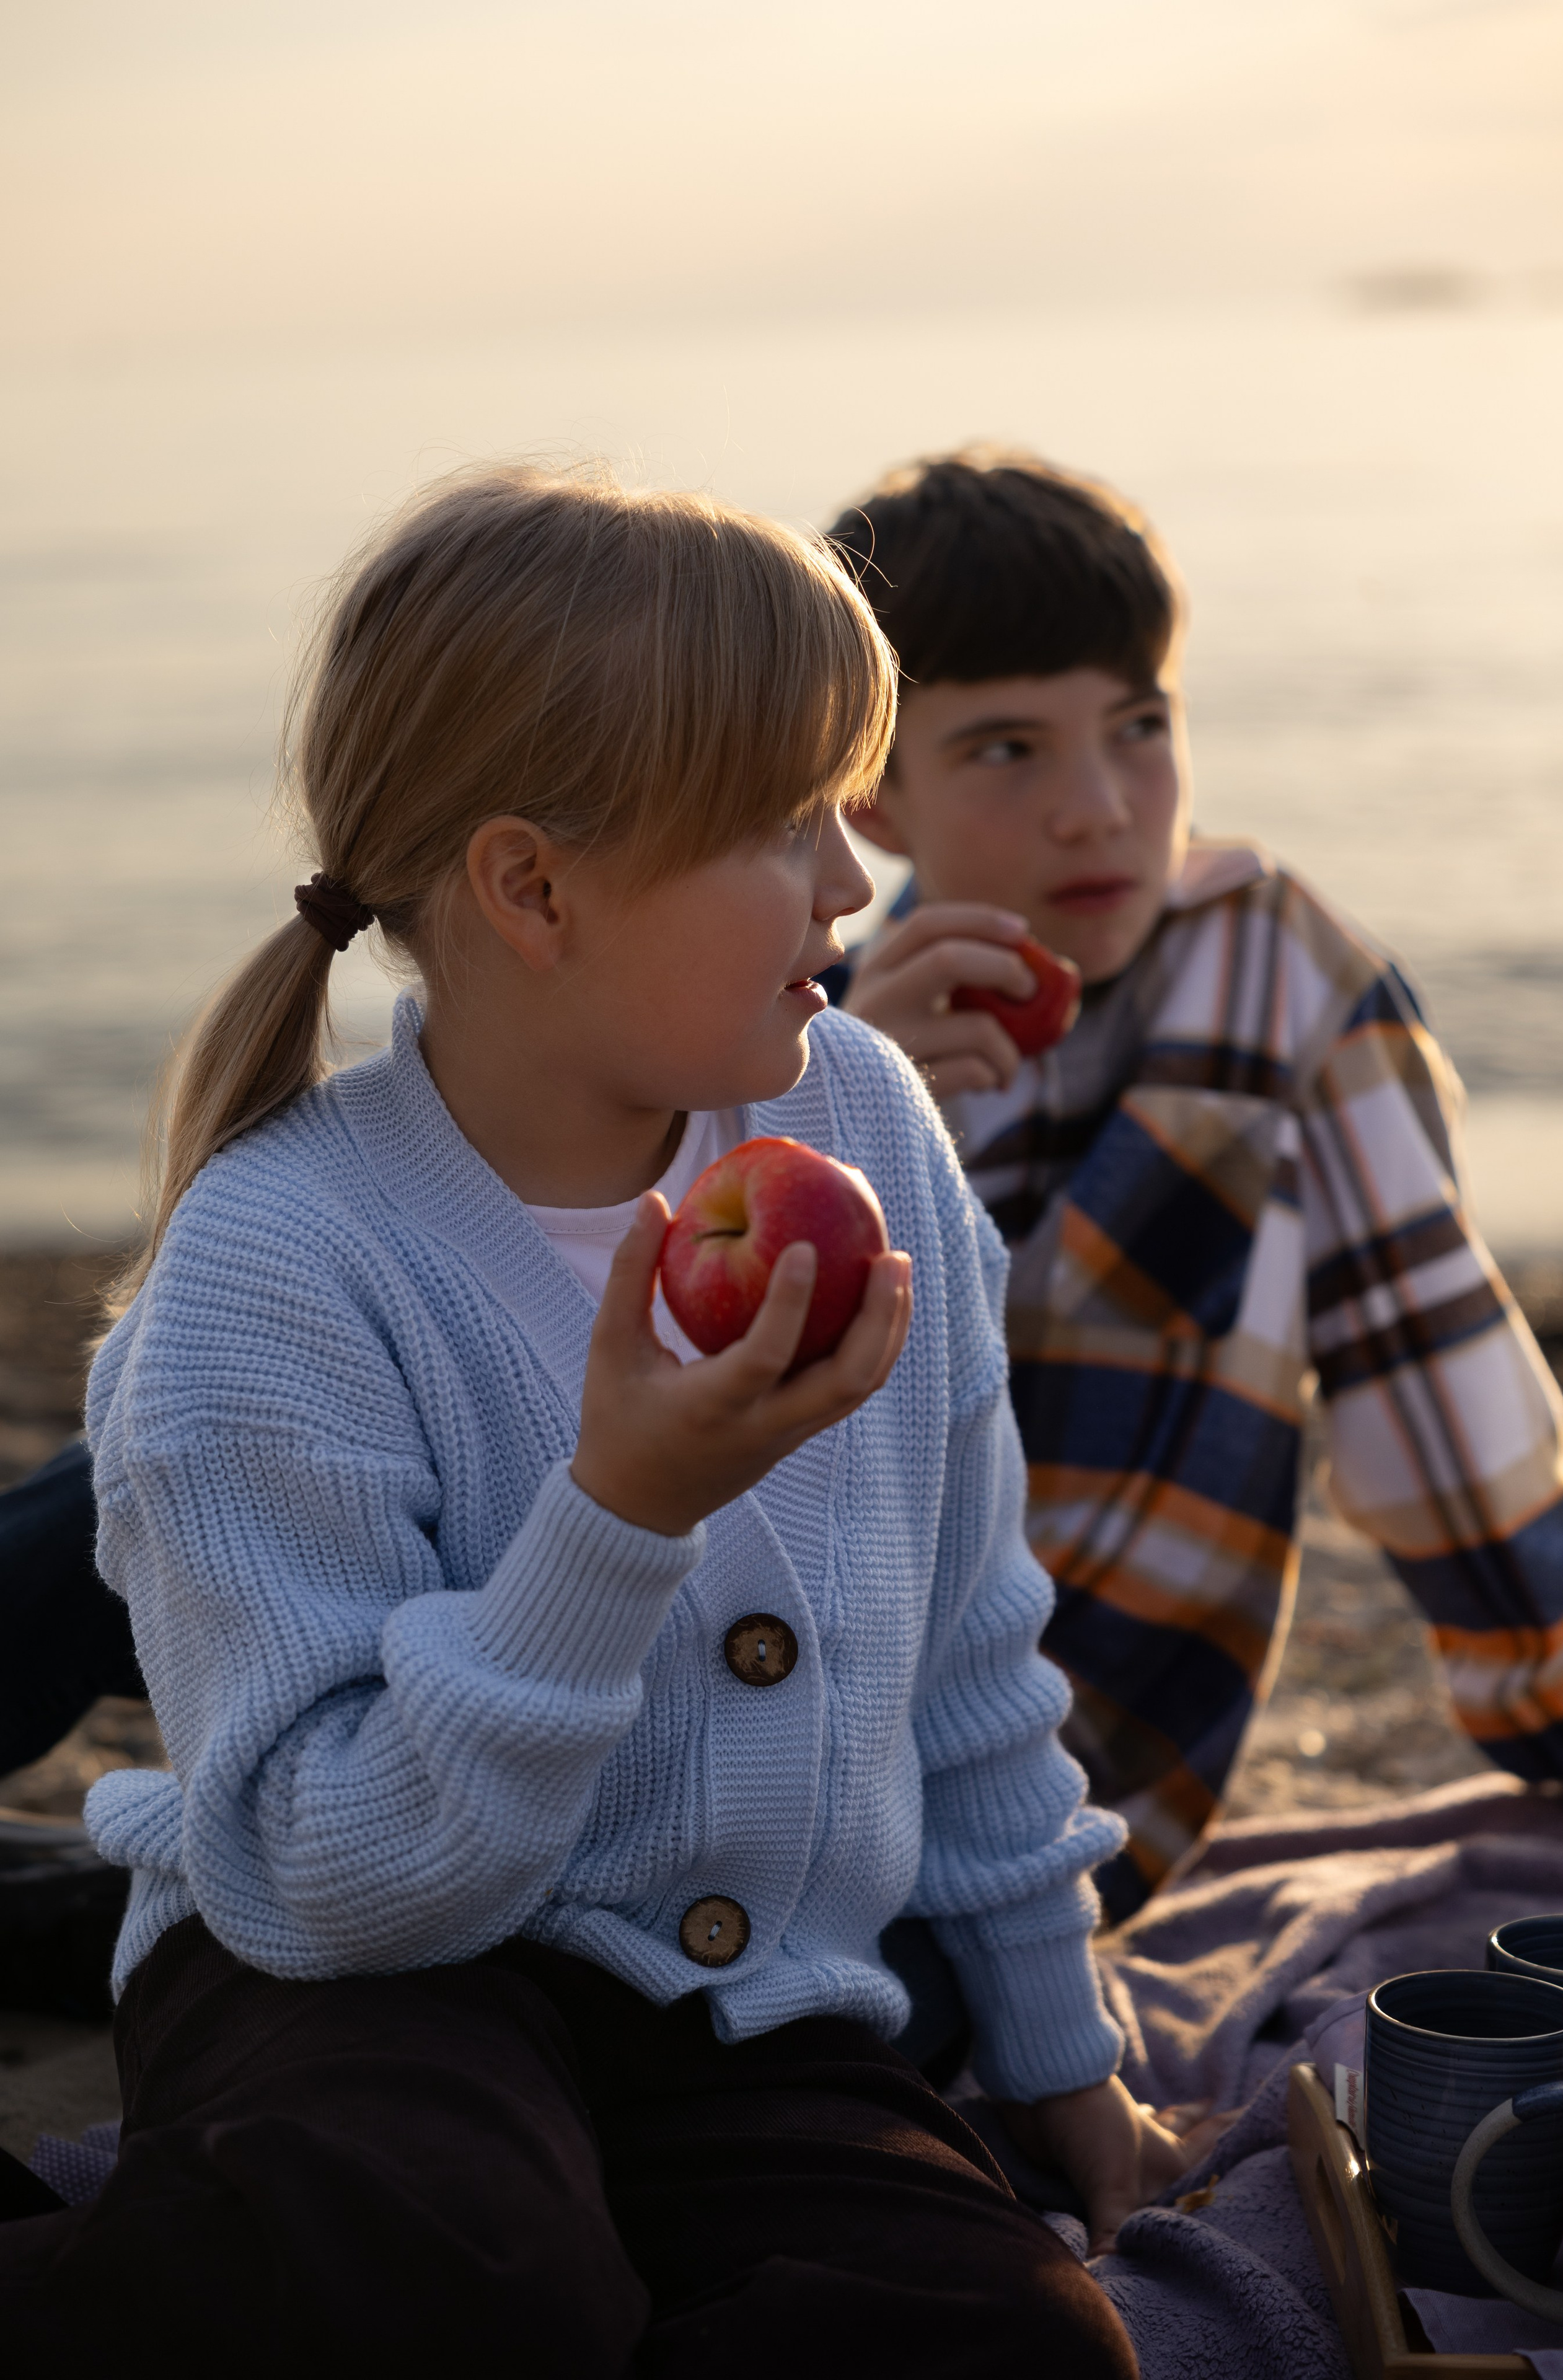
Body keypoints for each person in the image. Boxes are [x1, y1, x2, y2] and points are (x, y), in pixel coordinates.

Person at [0, 464, 1202, 2374]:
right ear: (532, 886)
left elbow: (969, 1636)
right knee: (435, 2266)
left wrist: (1061, 2054)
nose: (852, 882)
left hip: (747, 2006)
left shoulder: (862, 1126)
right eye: (784, 821)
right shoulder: (279, 1263)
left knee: (1010, 2344)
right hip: (352, 1984)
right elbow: (326, 1873)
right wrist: (619, 1514)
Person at [819, 445, 1563, 1920]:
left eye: (1139, 726)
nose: (1098, 806)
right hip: (784, 1776)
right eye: (1005, 750)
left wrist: (1558, 1726)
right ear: (871, 800)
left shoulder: (1272, 973)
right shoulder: (804, 1023)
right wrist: (841, 1107)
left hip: (1086, 1782)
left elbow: (1438, 1394)